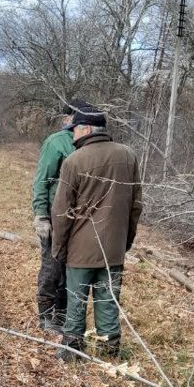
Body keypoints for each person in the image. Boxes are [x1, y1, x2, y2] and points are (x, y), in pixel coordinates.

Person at [51, 104, 143, 361]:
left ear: (86, 129)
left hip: (80, 250)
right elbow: (136, 205)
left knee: (76, 303)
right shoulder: (129, 156)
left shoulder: (74, 161)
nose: (72, 136)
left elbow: (61, 212)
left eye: (74, 130)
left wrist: (58, 248)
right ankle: (109, 354)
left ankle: (71, 352)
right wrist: (126, 241)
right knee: (108, 302)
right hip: (113, 249)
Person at [30, 99, 88, 333]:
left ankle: (62, 315)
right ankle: (45, 315)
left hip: (80, 219)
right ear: (67, 119)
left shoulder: (88, 143)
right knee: (52, 268)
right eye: (71, 117)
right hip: (56, 218)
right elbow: (41, 181)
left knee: (70, 269)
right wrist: (41, 215)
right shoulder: (56, 142)